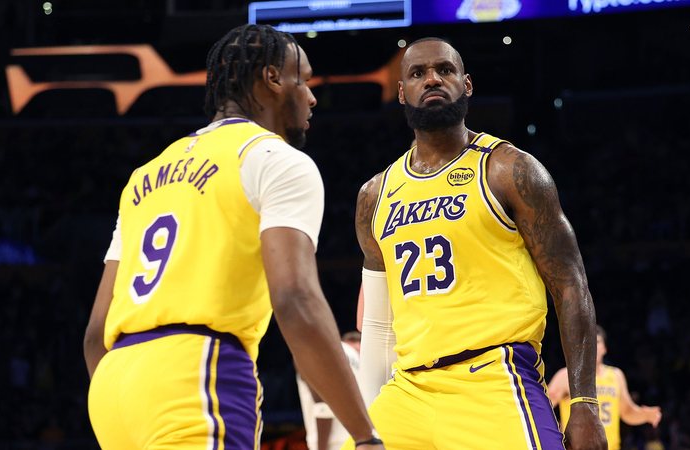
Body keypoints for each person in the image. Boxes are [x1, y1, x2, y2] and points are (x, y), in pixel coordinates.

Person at [83, 24, 383, 450]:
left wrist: (132, 393)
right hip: (198, 374)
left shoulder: (143, 177)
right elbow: (295, 300)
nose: (312, 97)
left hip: (113, 391)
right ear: (273, 79)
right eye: (304, 79)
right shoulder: (275, 159)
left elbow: (95, 334)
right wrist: (365, 434)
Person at [349, 37, 607, 450]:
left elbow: (571, 285)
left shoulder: (510, 170)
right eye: (417, 73)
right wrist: (367, 428)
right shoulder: (374, 195)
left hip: (494, 377)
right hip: (408, 390)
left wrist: (584, 403)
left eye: (445, 70)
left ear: (466, 84)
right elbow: (379, 326)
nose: (432, 79)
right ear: (401, 93)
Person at [547, 326, 662, 449]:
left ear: (605, 348)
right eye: (587, 341)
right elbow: (543, 407)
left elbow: (627, 412)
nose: (592, 346)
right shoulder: (566, 375)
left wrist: (645, 415)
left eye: (596, 342)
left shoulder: (616, 376)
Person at [297, 331, 362, 450]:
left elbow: (323, 406)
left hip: (331, 444)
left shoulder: (313, 348)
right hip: (359, 440)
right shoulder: (358, 359)